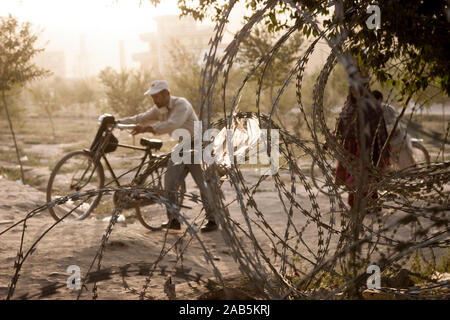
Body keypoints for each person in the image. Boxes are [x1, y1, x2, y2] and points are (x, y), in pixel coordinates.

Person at [118, 80, 218, 232]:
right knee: (169, 184)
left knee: (203, 185)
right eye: (152, 97)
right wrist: (118, 122)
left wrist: (147, 129)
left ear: (166, 94)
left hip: (199, 146)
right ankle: (173, 220)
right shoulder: (160, 109)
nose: (154, 100)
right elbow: (141, 118)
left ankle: (213, 220)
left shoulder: (181, 104)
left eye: (156, 97)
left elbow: (173, 124)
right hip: (182, 146)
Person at [335, 86, 390, 209]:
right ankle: (360, 204)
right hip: (350, 148)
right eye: (354, 89)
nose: (356, 92)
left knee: (363, 176)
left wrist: (379, 148)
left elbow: (379, 129)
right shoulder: (348, 107)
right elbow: (340, 126)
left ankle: (368, 204)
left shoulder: (372, 108)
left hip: (366, 147)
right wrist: (332, 138)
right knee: (355, 176)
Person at [372, 90, 415, 170]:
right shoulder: (371, 111)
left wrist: (379, 131)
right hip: (387, 147)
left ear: (379, 100)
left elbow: (395, 127)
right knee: (389, 171)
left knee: (406, 170)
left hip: (399, 143)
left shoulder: (387, 109)